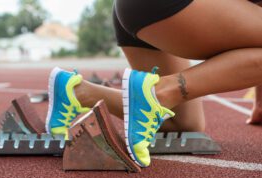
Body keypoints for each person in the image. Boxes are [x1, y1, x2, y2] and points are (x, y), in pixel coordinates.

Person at [46, 0, 262, 168]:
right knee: (167, 100)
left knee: (183, 124)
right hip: (168, 6)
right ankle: (159, 93)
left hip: (135, 9)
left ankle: (79, 92)